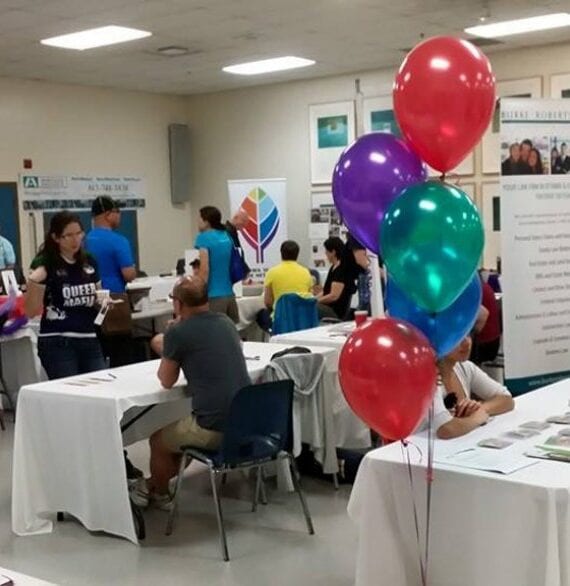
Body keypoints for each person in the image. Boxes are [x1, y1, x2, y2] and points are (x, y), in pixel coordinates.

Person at [130, 276, 250, 509]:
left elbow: (166, 380)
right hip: (243, 422)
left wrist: (170, 340)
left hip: (213, 426)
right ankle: (152, 485)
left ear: (178, 304)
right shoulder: (225, 322)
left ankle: (159, 493)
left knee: (158, 441)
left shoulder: (179, 332)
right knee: (179, 440)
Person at [24, 211, 106, 380]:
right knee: (70, 388)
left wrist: (104, 302)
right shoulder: (45, 262)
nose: (75, 240)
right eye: (68, 235)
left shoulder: (89, 261)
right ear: (56, 238)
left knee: (99, 385)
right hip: (58, 339)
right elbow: (30, 311)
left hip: (89, 336)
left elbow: (98, 295)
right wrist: (34, 282)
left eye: (79, 233)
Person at [85, 196, 137, 367]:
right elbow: (128, 274)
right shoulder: (119, 241)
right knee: (121, 356)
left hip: (89, 301)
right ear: (108, 214)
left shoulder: (83, 240)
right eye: (117, 211)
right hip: (114, 302)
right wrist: (133, 269)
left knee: (96, 353)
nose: (120, 215)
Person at [433, 336, 514, 439]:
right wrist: (476, 418)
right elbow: (445, 430)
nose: (467, 343)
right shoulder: (430, 376)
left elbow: (507, 399)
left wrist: (479, 408)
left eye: (468, 334)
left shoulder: (465, 367)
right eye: (459, 337)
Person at [195, 206, 239, 322]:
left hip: (213, 296)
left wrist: (197, 291)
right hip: (229, 294)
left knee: (213, 331)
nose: (197, 222)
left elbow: (205, 269)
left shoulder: (203, 238)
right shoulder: (227, 236)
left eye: (199, 219)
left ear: (206, 221)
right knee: (230, 329)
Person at [259, 240, 312, 330]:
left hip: (280, 318)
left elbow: (268, 302)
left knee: (261, 315)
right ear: (297, 254)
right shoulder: (306, 272)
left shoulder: (272, 272)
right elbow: (309, 296)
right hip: (302, 318)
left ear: (281, 253)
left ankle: (272, 334)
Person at [314, 237, 353, 320]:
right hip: (329, 307)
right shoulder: (333, 267)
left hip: (335, 311)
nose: (326, 254)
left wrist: (316, 301)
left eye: (327, 251)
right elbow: (326, 291)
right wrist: (313, 299)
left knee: (310, 308)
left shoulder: (341, 269)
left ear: (333, 252)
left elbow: (334, 296)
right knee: (307, 305)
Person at [471, 277, 501, 365]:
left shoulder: (474, 291)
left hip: (484, 346)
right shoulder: (485, 287)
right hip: (494, 342)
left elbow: (484, 313)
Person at [225, 208, 250, 278]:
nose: (245, 225)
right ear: (235, 218)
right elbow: (234, 255)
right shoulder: (227, 233)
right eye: (244, 221)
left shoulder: (233, 232)